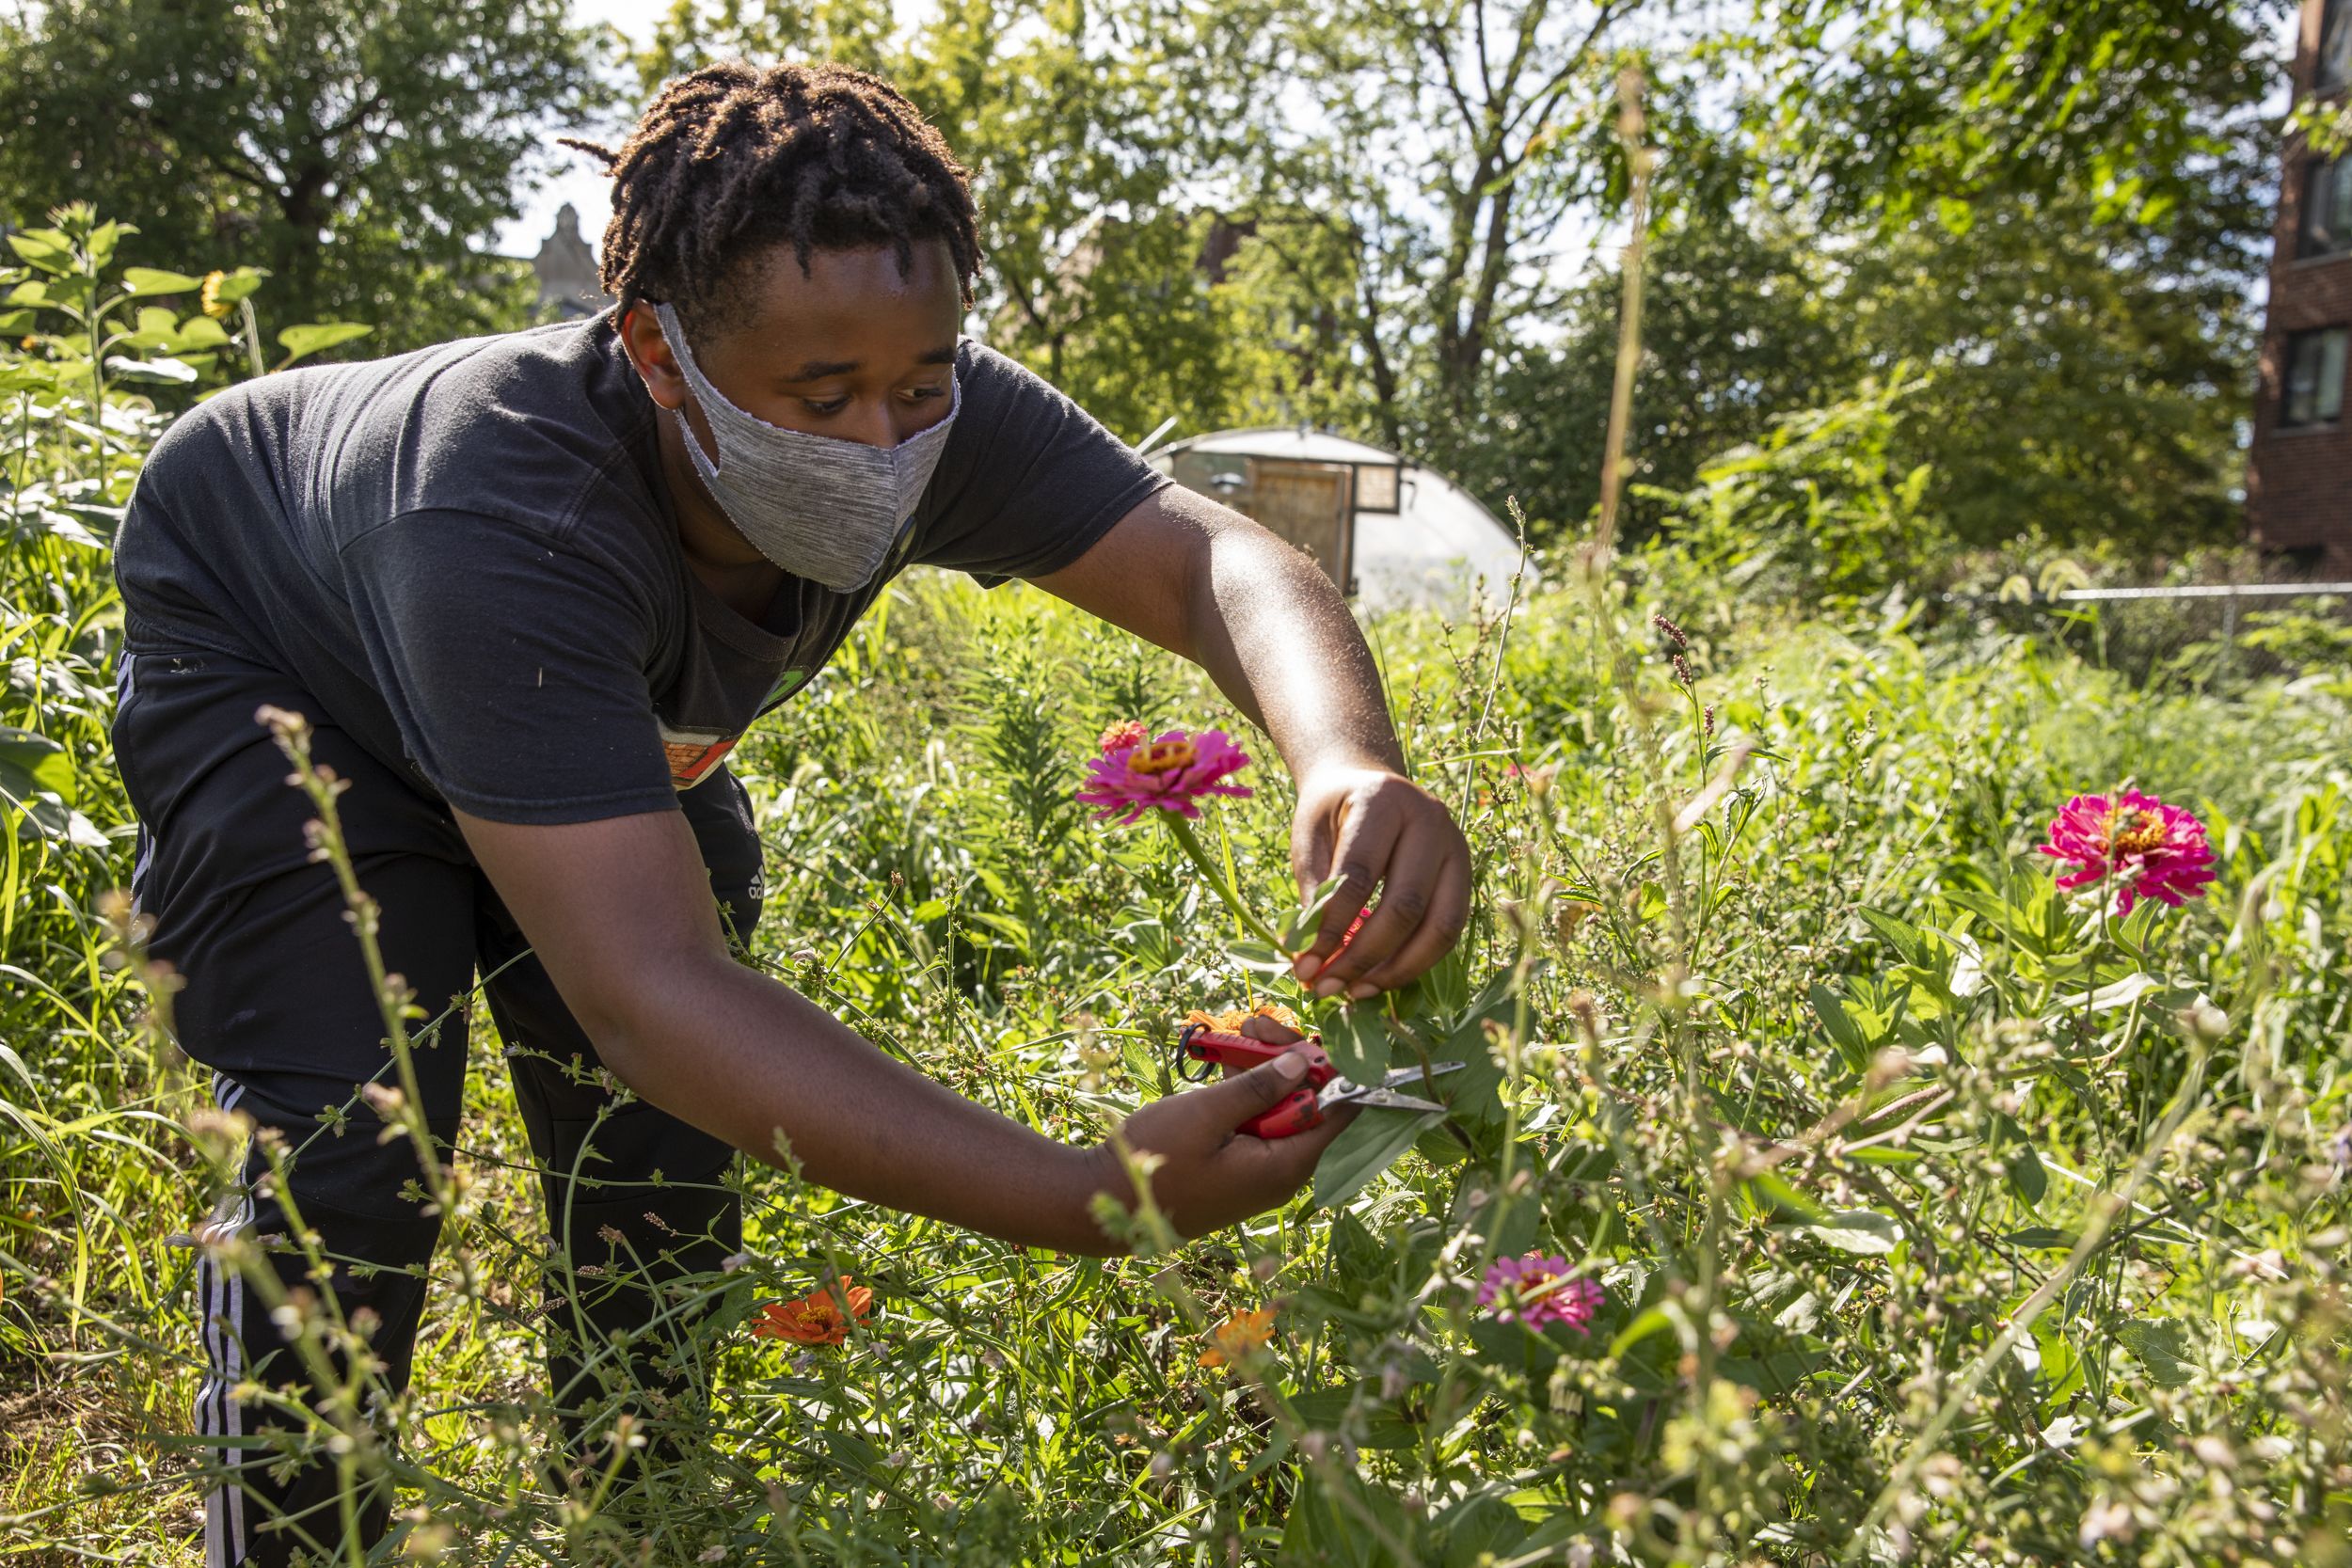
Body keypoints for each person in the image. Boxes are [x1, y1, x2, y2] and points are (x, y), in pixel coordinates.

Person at [113, 60, 1470, 1567]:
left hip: (567, 710)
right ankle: (296, 1544)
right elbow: (651, 993)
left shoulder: (919, 399)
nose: (885, 441)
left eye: (922, 382)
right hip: (285, 671)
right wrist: (1079, 1195)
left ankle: (641, 1520)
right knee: (352, 1154)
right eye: (820, 400)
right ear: (656, 349)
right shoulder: (502, 513)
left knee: (659, 1156)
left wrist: (1345, 759)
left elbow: (1210, 562)